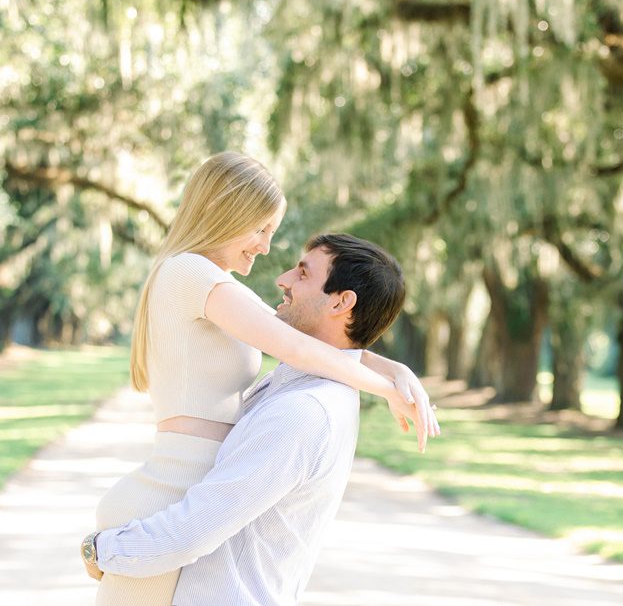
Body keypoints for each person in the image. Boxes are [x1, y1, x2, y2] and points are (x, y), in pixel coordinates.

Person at [87, 153, 438, 605]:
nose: (268, 250)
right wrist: (384, 386)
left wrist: (393, 368)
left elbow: (312, 343)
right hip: (170, 492)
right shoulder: (193, 274)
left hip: (178, 489)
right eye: (262, 229)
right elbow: (295, 345)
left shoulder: (211, 284)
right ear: (228, 215)